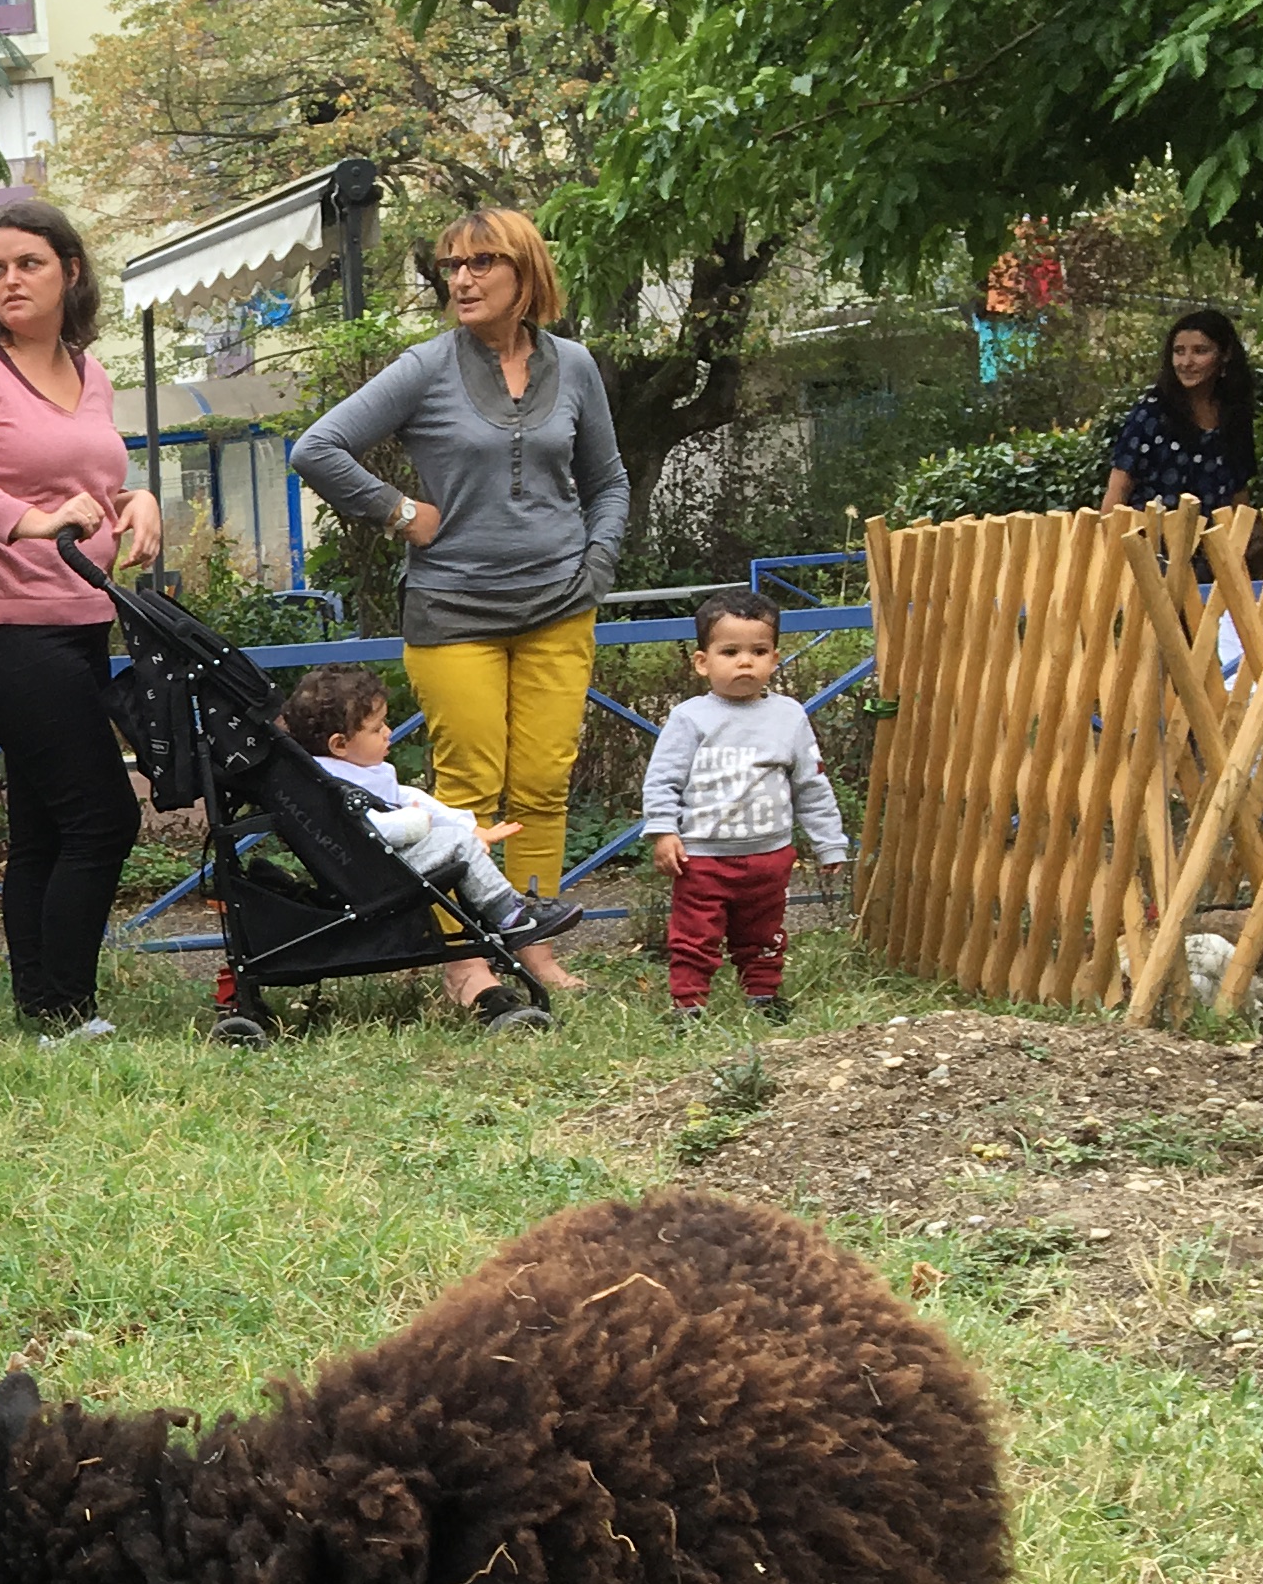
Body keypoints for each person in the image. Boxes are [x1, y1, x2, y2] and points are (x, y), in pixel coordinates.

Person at [290, 205, 631, 910]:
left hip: (561, 604)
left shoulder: (573, 367)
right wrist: (400, 512)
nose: (462, 280)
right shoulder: (425, 366)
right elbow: (316, 449)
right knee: (467, 790)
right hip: (454, 610)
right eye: (452, 267)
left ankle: (532, 943)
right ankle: (466, 957)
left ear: (524, 271)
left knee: (543, 782)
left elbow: (608, 481)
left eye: (482, 263)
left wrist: (597, 562)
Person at [0, 196, 163, 1041]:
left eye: (30, 264)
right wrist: (27, 520)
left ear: (70, 273)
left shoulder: (90, 372)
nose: (10, 279)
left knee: (49, 821)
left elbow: (89, 480)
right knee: (104, 814)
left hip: (81, 617)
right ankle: (68, 1013)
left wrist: (140, 499)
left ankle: (45, 1010)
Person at [276, 662, 578, 1029]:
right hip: (373, 872)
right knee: (455, 844)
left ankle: (506, 917)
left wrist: (467, 825)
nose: (388, 733)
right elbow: (374, 828)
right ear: (339, 745)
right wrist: (423, 823)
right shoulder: (331, 782)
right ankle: (511, 916)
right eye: (376, 728)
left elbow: (408, 797)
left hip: (380, 863)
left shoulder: (351, 770)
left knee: (458, 841)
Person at [642, 589, 850, 1024]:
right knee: (694, 936)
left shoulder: (788, 716)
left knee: (764, 933)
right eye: (730, 651)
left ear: (775, 658)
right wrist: (664, 831)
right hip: (701, 859)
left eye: (758, 651)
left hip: (769, 857)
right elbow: (663, 780)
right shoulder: (690, 718)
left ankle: (763, 994)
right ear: (703, 662)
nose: (744, 662)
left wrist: (829, 842)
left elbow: (811, 784)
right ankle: (688, 1004)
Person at [1103, 307, 1259, 511]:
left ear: (1226, 354)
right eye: (1179, 352)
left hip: (1214, 539)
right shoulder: (1151, 415)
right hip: (1147, 538)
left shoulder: (1234, 415)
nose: (1186, 362)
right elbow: (1119, 488)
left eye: (1200, 351)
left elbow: (1239, 494)